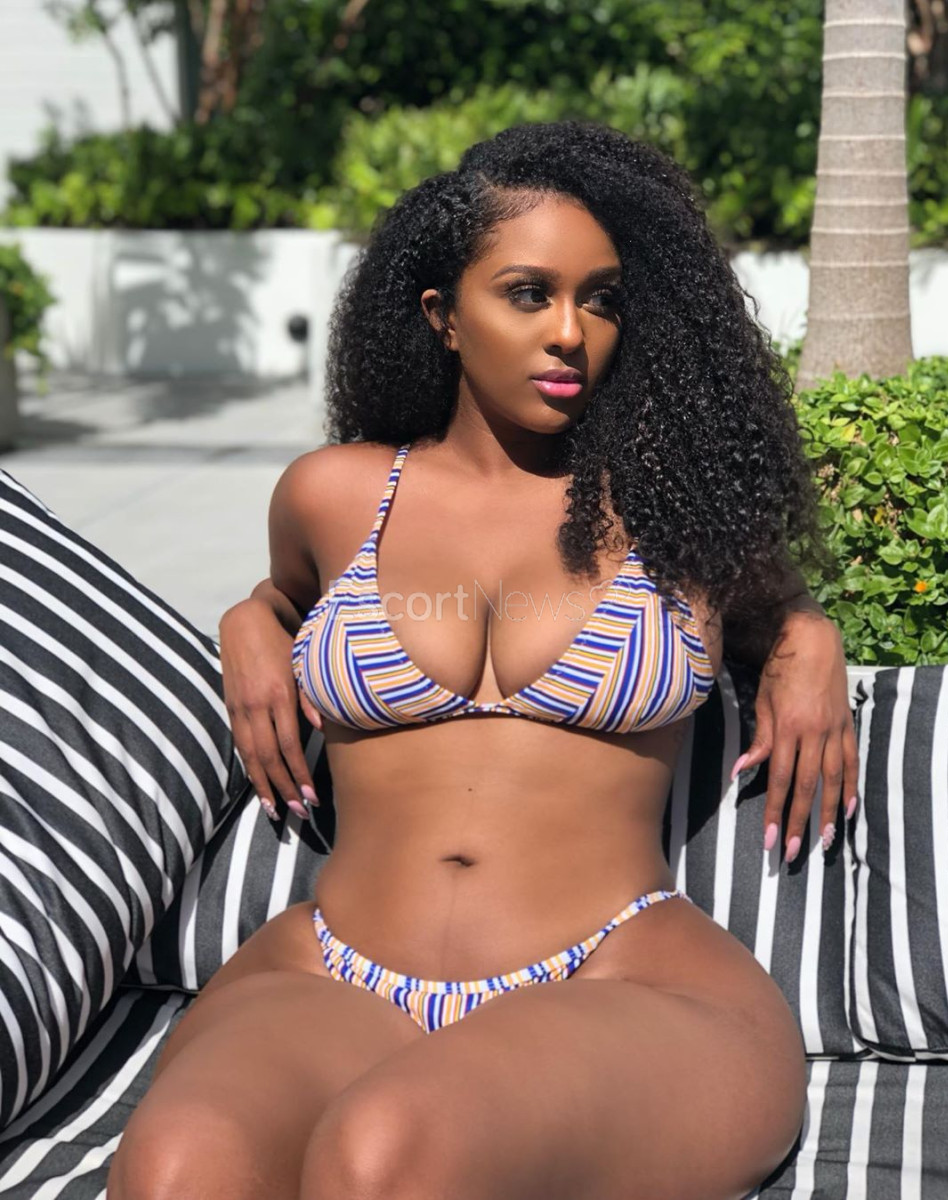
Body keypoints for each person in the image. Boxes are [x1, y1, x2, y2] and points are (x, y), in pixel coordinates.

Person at [108, 121, 857, 1200]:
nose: (569, 333)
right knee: (178, 1170)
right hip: (334, 969)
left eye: (601, 299)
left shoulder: (677, 509)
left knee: (387, 1157)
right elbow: (285, 595)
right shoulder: (334, 494)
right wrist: (250, 620)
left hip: (616, 977)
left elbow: (776, 605)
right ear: (442, 316)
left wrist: (808, 635)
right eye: (527, 293)